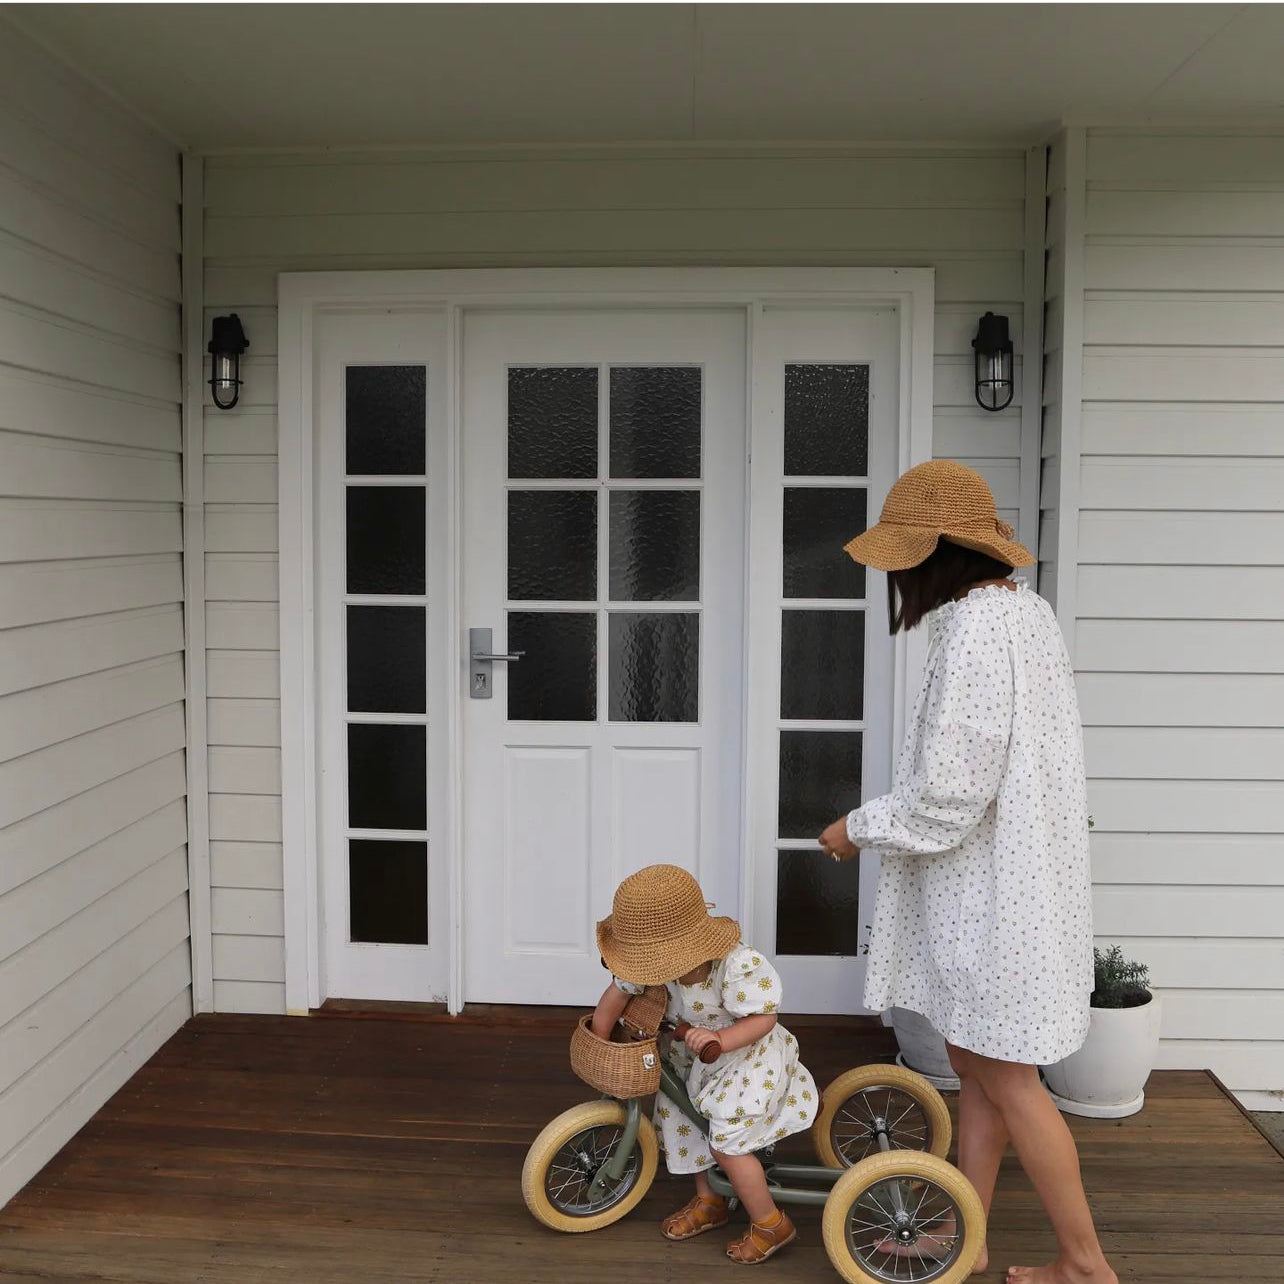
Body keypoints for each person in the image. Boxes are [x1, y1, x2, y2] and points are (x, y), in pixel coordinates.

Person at [819, 460, 1117, 1284]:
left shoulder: (977, 630)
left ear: (935, 553)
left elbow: (953, 790)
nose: (896, 575)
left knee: (1009, 1082)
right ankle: (968, 1240)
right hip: (1019, 886)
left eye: (902, 557)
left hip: (994, 899)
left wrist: (858, 827)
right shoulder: (1024, 614)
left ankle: (1085, 1265)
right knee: (981, 1074)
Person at [591, 863, 816, 1265]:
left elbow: (765, 1018)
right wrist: (600, 1039)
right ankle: (710, 1200)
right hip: (696, 1059)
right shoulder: (650, 969)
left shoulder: (736, 965)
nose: (645, 971)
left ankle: (770, 1222)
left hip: (747, 1056)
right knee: (684, 1118)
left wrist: (721, 1038)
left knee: (724, 1140)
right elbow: (616, 995)